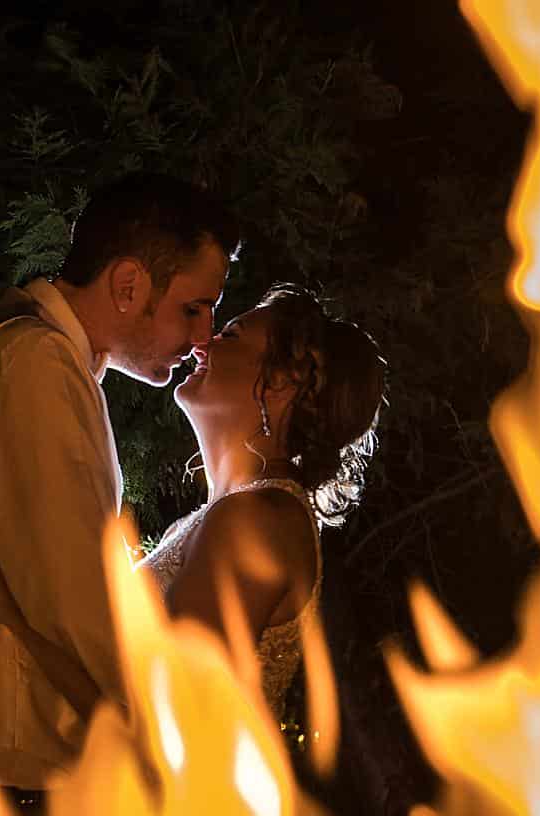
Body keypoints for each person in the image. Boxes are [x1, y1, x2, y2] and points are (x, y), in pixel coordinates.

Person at [0, 172, 241, 814]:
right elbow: (76, 592)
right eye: (194, 306)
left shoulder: (41, 358)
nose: (203, 337)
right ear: (129, 285)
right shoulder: (33, 363)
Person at [140, 283, 384, 715]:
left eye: (229, 336)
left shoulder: (255, 521)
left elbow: (164, 704)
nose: (202, 343)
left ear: (281, 381)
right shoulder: (232, 513)